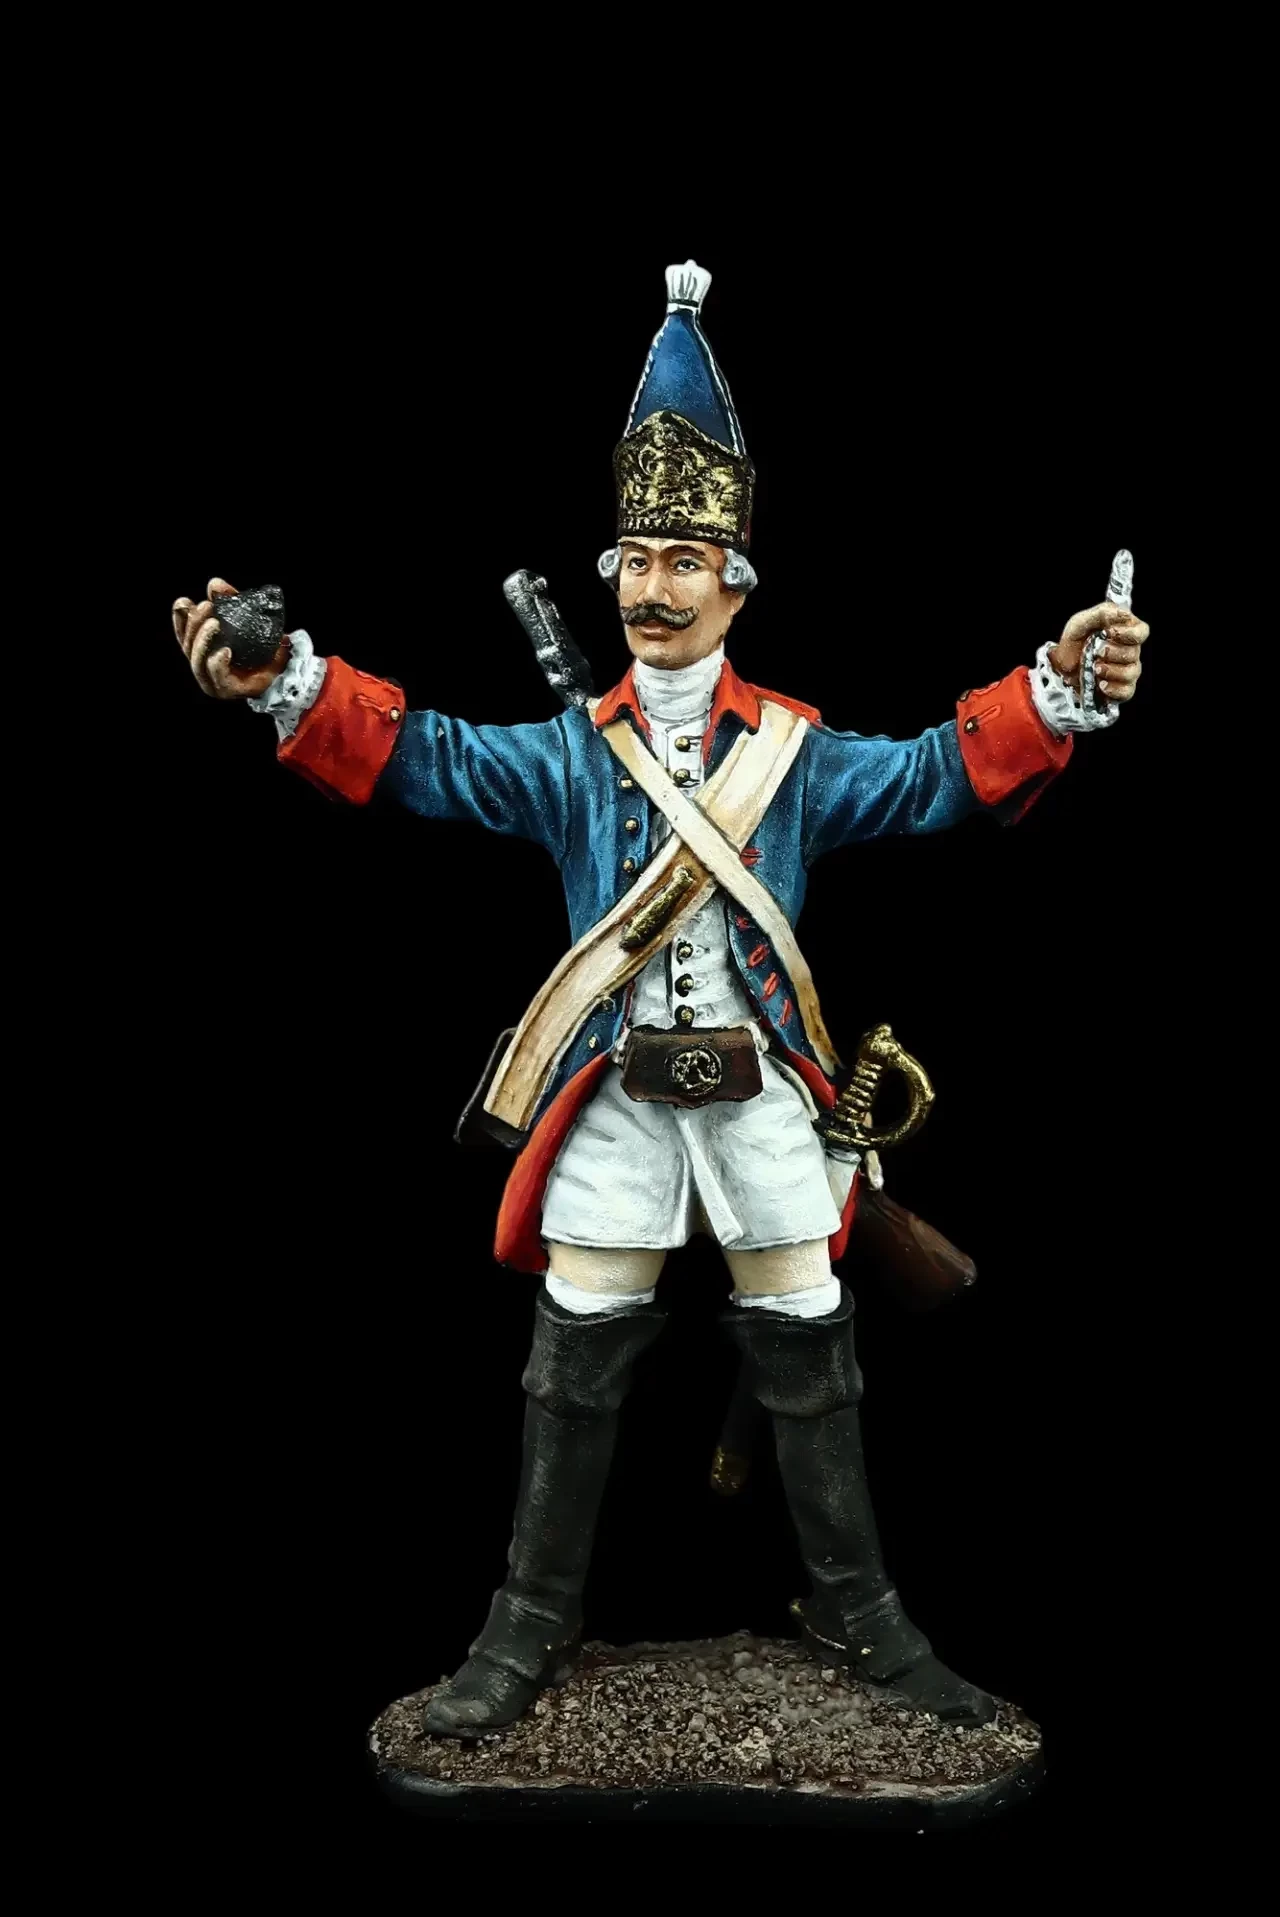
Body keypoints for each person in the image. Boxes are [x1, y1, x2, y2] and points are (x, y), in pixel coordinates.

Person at [171, 260, 1148, 1738]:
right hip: (619, 1096)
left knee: (807, 1334)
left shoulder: (795, 753)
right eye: (634, 559)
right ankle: (529, 1621)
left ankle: (861, 1609)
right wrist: (282, 684)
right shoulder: (576, 754)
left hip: (760, 1094)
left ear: (735, 581)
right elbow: (425, 757)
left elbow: (937, 775)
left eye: (683, 560)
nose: (652, 587)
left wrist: (1057, 689)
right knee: (577, 1348)